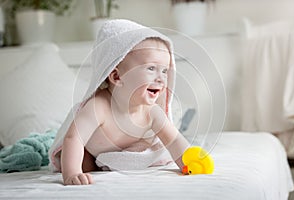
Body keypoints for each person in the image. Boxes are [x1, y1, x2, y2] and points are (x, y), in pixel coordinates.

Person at [48, 19, 190, 185]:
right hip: (90, 151)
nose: (161, 79)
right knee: (86, 166)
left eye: (165, 70)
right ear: (116, 76)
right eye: (151, 68)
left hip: (124, 151)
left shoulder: (152, 111)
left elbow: (174, 141)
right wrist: (72, 173)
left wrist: (190, 161)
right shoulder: (98, 106)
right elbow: (74, 138)